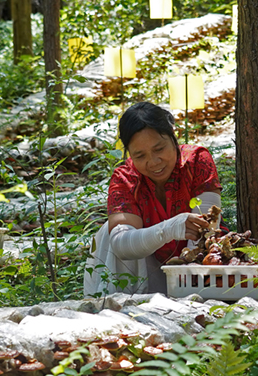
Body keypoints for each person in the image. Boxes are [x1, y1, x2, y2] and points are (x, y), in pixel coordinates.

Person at [84, 102, 222, 295]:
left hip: (198, 269)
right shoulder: (125, 179)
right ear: (129, 154)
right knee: (109, 233)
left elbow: (209, 227)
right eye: (140, 155)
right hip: (146, 273)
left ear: (173, 136)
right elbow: (121, 245)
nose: (153, 162)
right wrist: (169, 229)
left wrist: (185, 288)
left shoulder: (196, 161)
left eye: (159, 149)